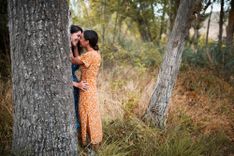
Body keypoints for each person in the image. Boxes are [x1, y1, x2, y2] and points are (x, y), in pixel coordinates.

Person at [70, 30, 103, 151]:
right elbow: (78, 58)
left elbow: (73, 60)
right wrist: (74, 48)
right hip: (91, 88)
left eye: (81, 38)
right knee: (90, 114)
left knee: (86, 115)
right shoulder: (94, 53)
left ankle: (88, 145)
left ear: (87, 41)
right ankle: (91, 144)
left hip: (86, 89)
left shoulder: (90, 55)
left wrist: (70, 45)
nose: (80, 39)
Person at [70, 25, 88, 132]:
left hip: (75, 86)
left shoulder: (73, 49)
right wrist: (76, 84)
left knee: (77, 111)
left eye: (81, 37)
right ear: (70, 33)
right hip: (70, 84)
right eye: (78, 35)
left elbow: (76, 61)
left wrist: (75, 46)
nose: (79, 38)